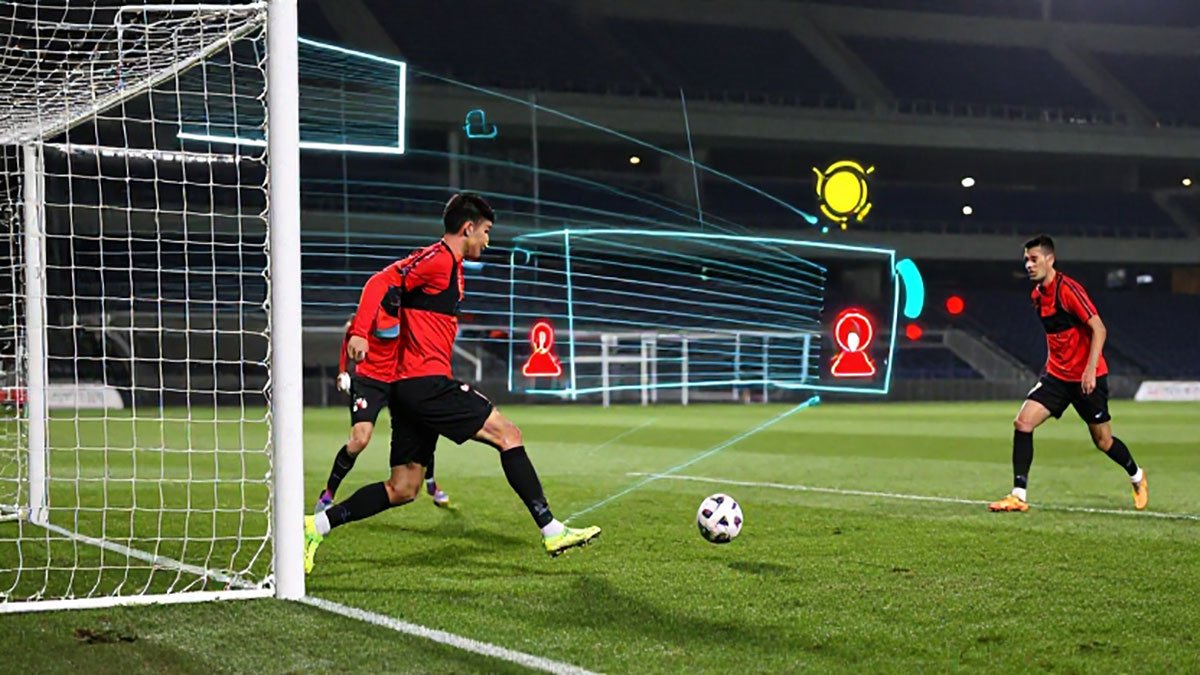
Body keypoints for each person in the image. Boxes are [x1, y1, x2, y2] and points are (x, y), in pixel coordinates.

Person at [303, 192, 600, 573]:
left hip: (412, 388)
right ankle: (551, 529)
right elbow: (379, 281)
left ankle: (315, 526)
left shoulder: (450, 266)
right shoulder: (438, 259)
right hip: (426, 383)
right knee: (508, 434)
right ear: (468, 227)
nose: (487, 241)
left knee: (403, 488)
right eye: (486, 231)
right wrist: (361, 331)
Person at [989, 235, 1147, 513]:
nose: (1028, 264)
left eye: (1034, 259)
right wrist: (1050, 368)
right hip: (1057, 378)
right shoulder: (1037, 296)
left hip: (1087, 379)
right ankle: (1018, 495)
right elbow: (1055, 337)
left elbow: (1099, 329)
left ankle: (1137, 476)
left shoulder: (1068, 290)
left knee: (1103, 441)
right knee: (1023, 423)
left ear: (1050, 260)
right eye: (1026, 260)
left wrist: (1089, 370)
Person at [313, 315, 449, 516]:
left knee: (422, 429)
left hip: (400, 379)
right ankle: (328, 495)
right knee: (359, 440)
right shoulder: (370, 309)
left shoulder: (409, 310)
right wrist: (342, 370)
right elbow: (350, 335)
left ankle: (431, 484)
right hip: (370, 381)